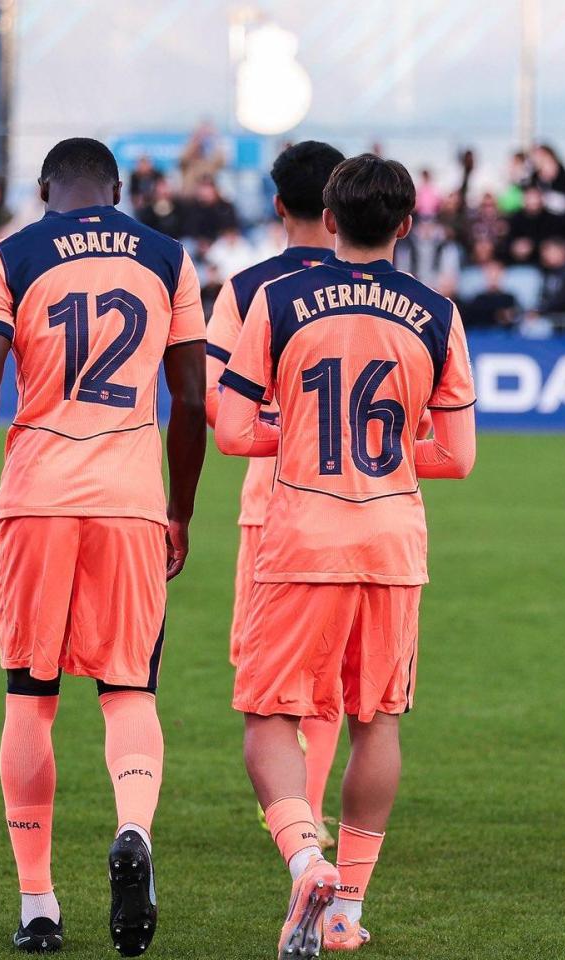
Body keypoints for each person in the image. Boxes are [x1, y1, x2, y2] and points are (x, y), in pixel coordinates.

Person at [0, 137, 208, 955]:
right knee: (129, 691)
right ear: (116, 190)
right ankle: (133, 830)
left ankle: (39, 905)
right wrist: (178, 512)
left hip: (37, 501)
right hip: (129, 503)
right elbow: (189, 401)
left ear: (46, 188)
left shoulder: (6, 257)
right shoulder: (167, 259)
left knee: (30, 700)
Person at [213, 154, 476, 955]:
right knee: (377, 720)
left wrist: (295, 439)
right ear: (405, 225)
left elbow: (230, 432)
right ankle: (348, 910)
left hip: (301, 533)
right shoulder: (437, 312)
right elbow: (458, 455)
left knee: (269, 720)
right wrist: (389, 453)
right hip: (392, 539)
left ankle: (304, 856)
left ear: (329, 221)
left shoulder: (277, 299)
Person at [202, 140, 347, 856]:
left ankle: (296, 820)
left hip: (277, 504)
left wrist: (288, 435)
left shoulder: (249, 288)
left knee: (270, 672)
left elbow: (212, 398)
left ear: (279, 205)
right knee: (332, 676)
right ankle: (309, 811)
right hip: (365, 503)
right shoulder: (385, 289)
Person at [459, 260, 519, 329]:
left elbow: (515, 319)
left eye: (496, 273)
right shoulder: (478, 299)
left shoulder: (509, 298)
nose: (493, 276)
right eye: (490, 273)